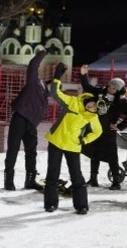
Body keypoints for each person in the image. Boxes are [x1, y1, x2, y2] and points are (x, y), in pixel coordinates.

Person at [43, 64, 102, 214]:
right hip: (56, 141)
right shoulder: (72, 102)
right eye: (92, 104)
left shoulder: (92, 117)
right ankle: (50, 204)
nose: (92, 107)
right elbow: (55, 93)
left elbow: (97, 131)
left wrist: (84, 140)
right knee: (52, 173)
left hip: (73, 145)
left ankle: (81, 205)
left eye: (95, 108)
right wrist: (57, 77)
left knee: (76, 175)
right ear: (91, 99)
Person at [78, 65, 127, 190]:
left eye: (114, 88)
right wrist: (83, 75)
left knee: (112, 156)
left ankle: (116, 181)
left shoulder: (121, 101)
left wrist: (119, 126)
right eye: (110, 86)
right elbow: (87, 87)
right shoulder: (100, 93)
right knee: (94, 153)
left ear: (119, 90)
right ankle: (93, 179)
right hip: (95, 129)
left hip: (109, 132)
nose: (110, 89)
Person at [4, 50, 49, 191]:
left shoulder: (44, 95)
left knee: (31, 152)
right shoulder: (33, 84)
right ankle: (9, 180)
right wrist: (43, 53)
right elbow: (32, 66)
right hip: (20, 118)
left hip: (31, 124)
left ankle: (30, 180)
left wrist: (59, 74)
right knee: (13, 149)